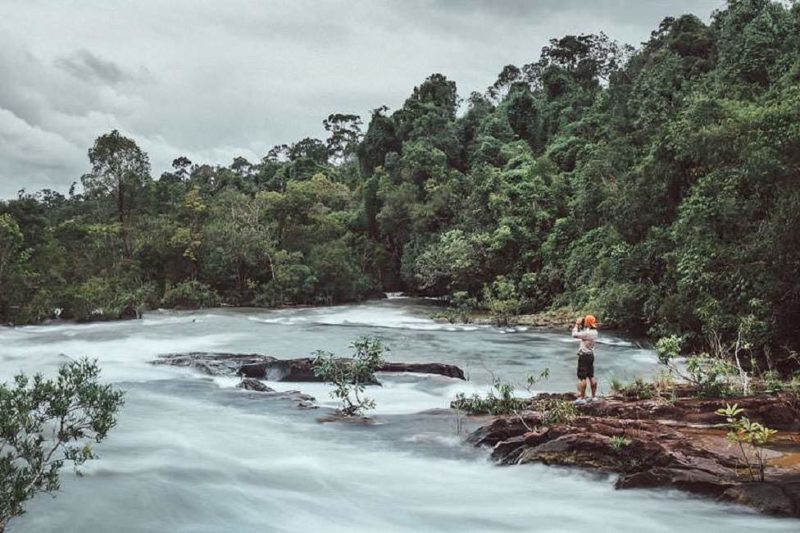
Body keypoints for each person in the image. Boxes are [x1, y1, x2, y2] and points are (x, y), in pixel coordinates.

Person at [572, 314, 598, 404]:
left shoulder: (587, 333)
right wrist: (582, 324)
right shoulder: (594, 332)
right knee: (591, 375)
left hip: (584, 356)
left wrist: (576, 324)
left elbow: (574, 335)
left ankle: (582, 398)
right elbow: (585, 331)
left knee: (582, 377)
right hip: (591, 355)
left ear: (588, 322)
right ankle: (594, 397)